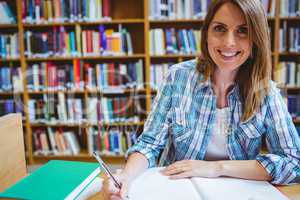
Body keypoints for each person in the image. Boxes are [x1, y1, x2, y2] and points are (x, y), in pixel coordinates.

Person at [109, 0, 300, 199]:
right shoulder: (178, 77)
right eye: (220, 29)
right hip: (177, 190)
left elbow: (294, 162)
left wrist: (216, 168)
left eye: (243, 31)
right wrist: (127, 175)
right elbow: (149, 144)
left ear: (256, 40)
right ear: (206, 34)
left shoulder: (265, 91)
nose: (229, 43)